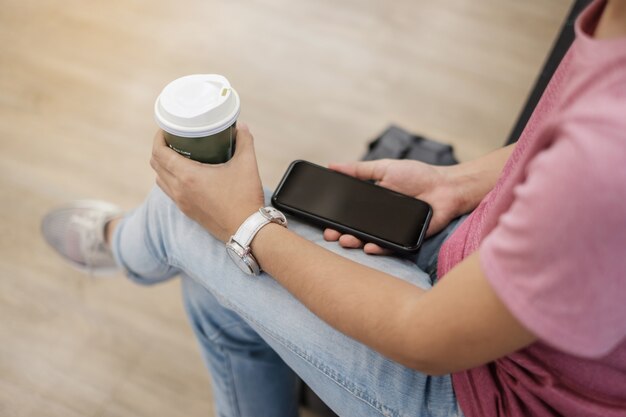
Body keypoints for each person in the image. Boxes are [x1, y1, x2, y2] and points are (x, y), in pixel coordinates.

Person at [42, 1, 626, 416]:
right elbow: (563, 139)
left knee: (181, 224)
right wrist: (461, 182)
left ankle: (124, 245)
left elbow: (425, 339)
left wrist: (246, 224)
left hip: (497, 391)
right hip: (486, 275)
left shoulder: (607, 155)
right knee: (215, 285)